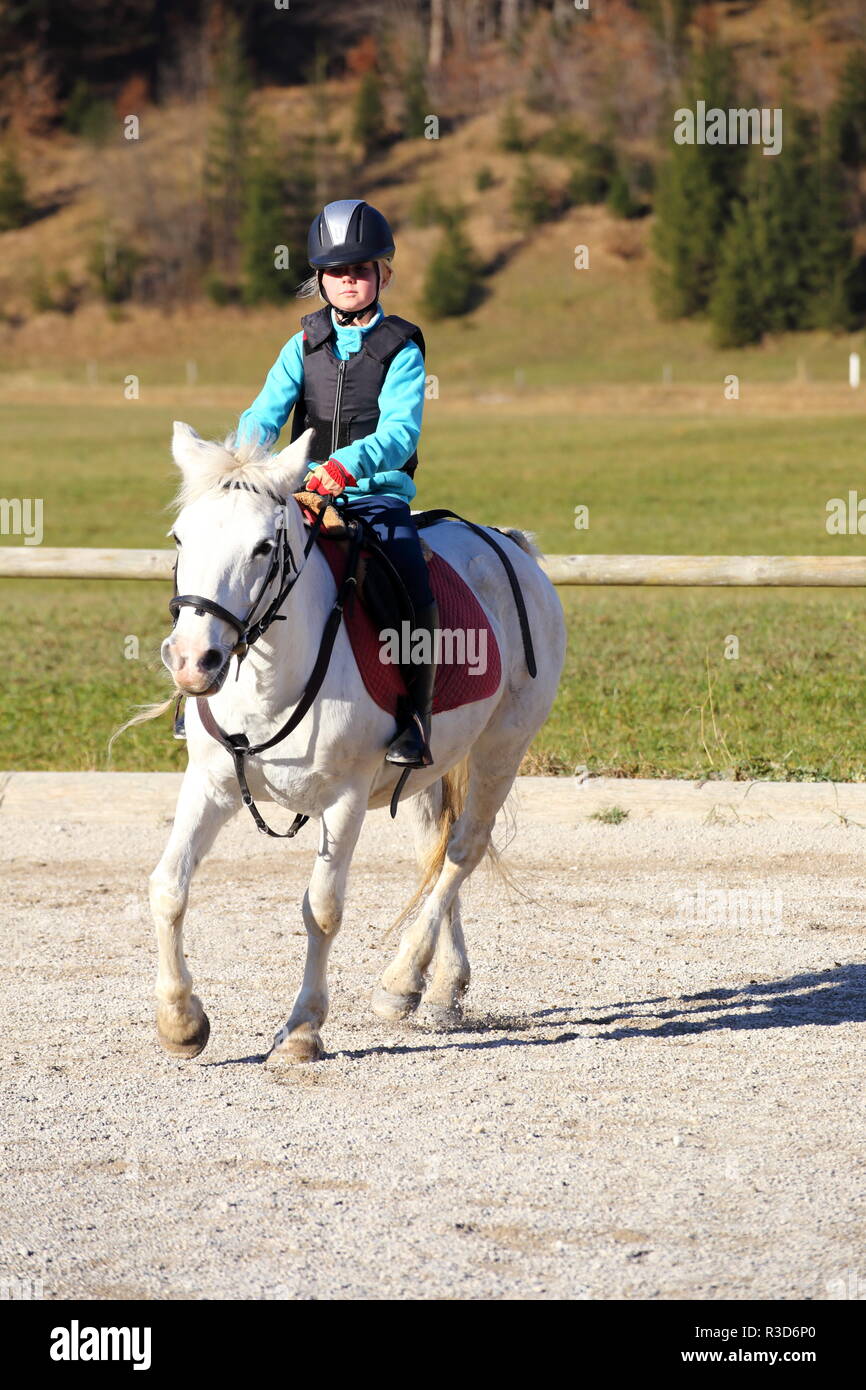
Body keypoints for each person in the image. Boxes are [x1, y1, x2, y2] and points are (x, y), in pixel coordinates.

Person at [231, 198, 438, 768]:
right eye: (337, 271)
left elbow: (400, 431)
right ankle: (204, 688)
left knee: (409, 588)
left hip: (374, 496)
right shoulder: (301, 343)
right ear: (320, 278)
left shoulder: (402, 346)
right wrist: (237, 464)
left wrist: (344, 467)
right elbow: (264, 414)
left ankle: (413, 719)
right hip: (302, 496)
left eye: (362, 269)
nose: (349, 280)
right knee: (228, 564)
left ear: (383, 274)